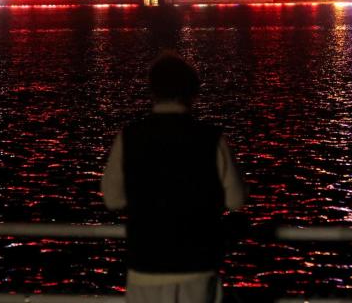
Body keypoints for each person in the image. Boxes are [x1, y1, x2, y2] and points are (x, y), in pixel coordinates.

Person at [101, 52, 246, 303]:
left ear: (152, 91)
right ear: (193, 92)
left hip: (146, 263)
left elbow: (113, 200)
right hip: (197, 265)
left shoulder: (129, 137)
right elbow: (237, 201)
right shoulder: (211, 138)